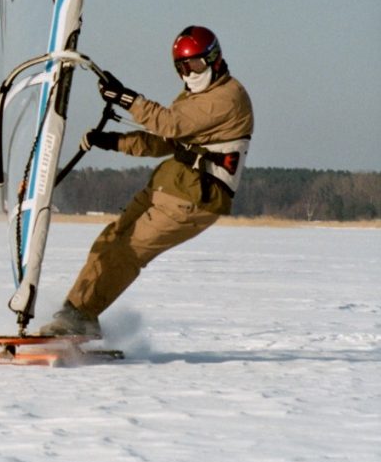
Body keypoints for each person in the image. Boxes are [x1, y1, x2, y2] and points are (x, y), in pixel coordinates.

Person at [38, 25, 254, 337]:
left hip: (193, 199)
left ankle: (80, 315)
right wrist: (112, 141)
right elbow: (164, 141)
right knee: (110, 240)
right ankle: (75, 314)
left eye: (195, 64)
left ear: (214, 59)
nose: (189, 73)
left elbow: (170, 124)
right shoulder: (192, 97)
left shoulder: (227, 98)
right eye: (181, 67)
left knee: (127, 251)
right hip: (167, 187)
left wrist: (128, 99)